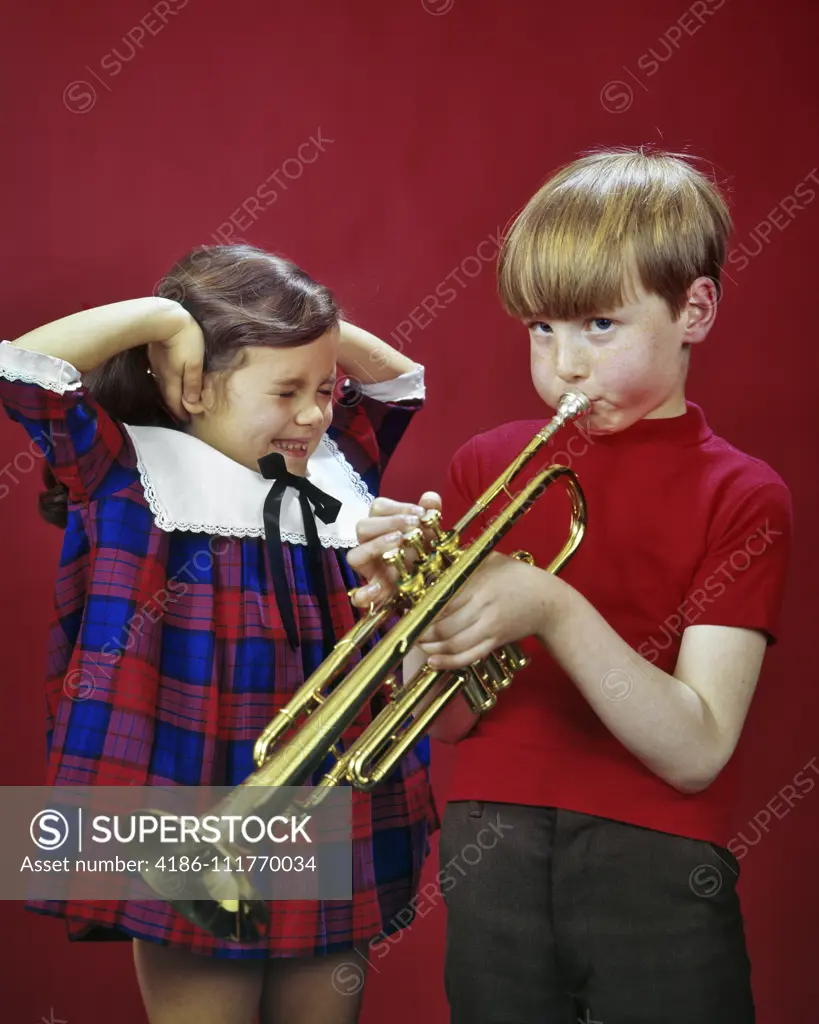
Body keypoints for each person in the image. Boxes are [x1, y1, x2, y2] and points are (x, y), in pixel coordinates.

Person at [347, 149, 793, 1023]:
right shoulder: (489, 464)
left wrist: (550, 606)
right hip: (489, 851)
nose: (565, 367)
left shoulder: (742, 495)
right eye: (539, 331)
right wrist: (413, 617)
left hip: (657, 866)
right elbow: (456, 717)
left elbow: (696, 747)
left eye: (598, 325)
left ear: (693, 309)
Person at [0, 242, 438, 1024]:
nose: (315, 412)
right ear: (195, 388)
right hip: (173, 793)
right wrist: (167, 321)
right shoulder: (126, 470)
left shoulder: (328, 469)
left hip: (319, 797)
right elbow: (25, 367)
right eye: (287, 391)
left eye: (323, 387)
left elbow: (397, 379)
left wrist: (310, 329)